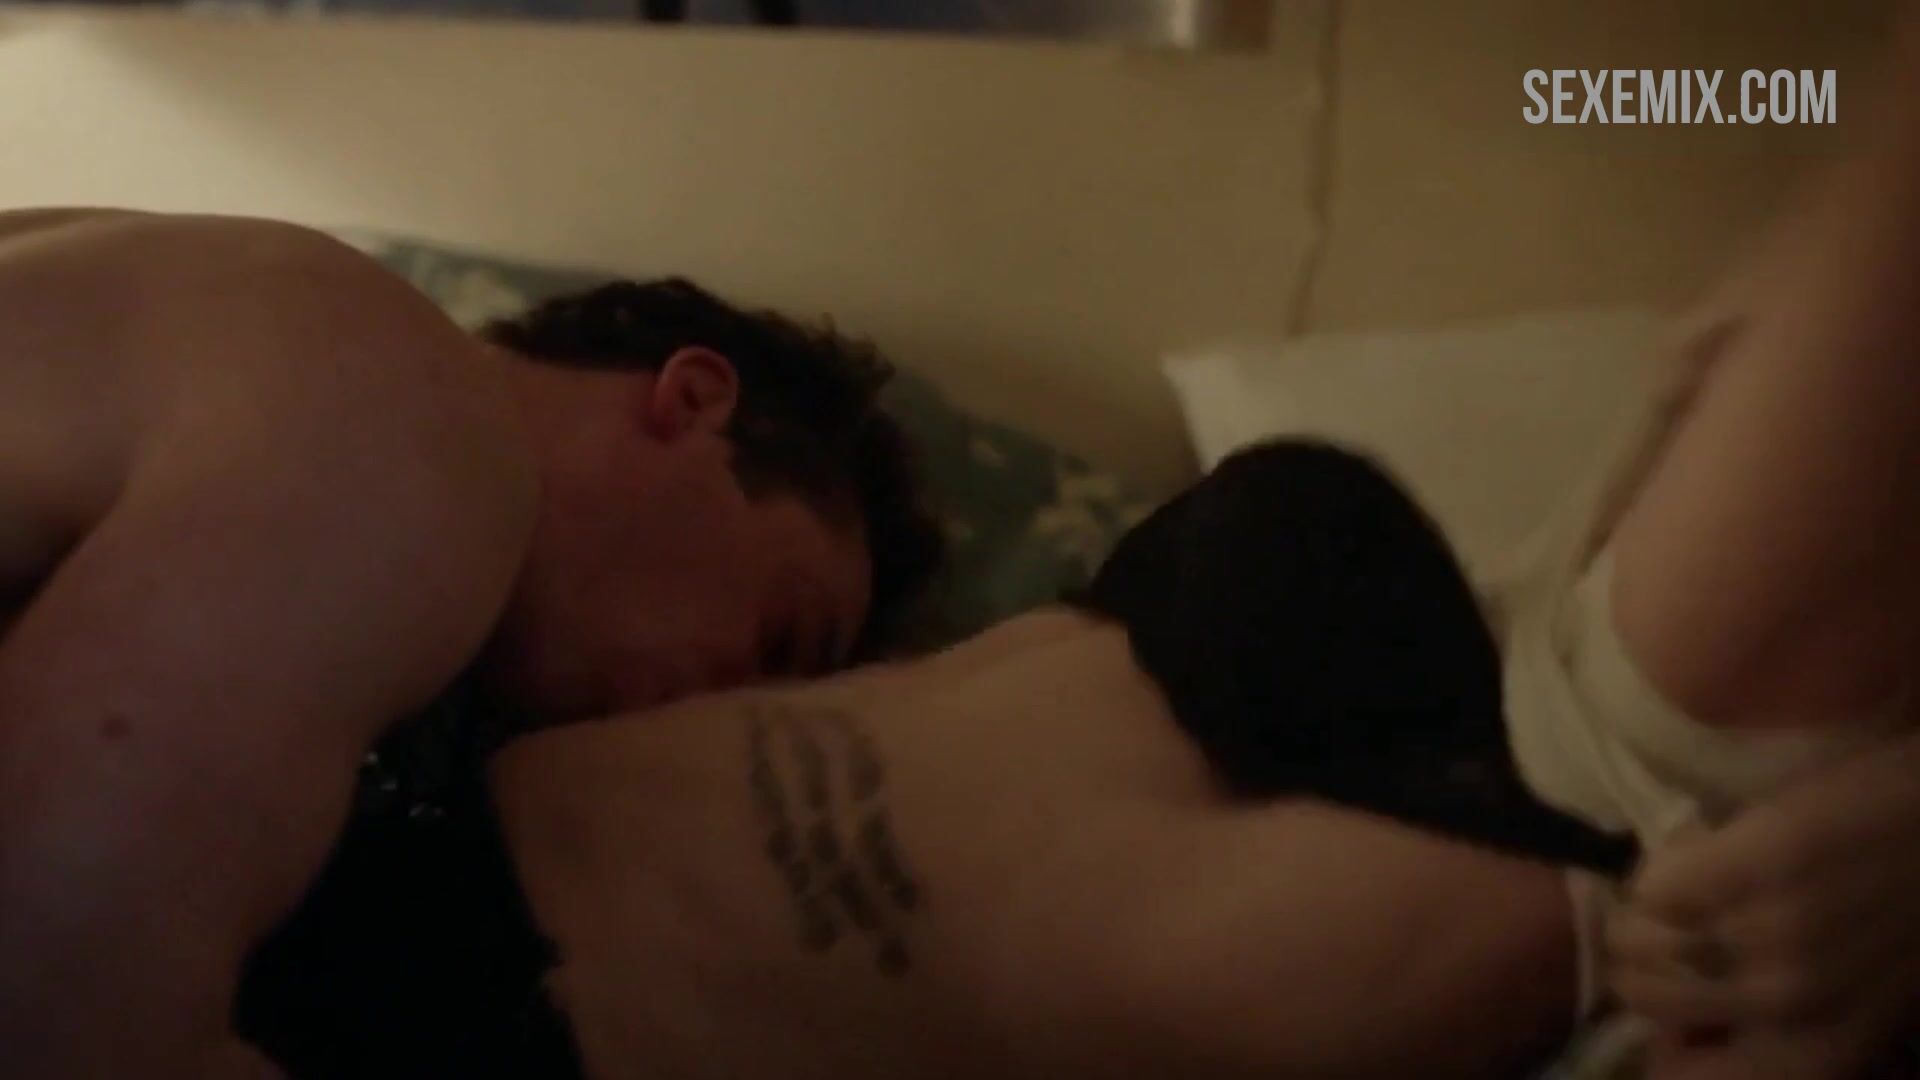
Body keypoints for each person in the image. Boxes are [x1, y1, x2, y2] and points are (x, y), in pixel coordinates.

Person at [0, 209, 943, 1078]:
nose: (724, 712)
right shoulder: (415, 409)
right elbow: (60, 997)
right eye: (781, 636)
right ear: (695, 402)